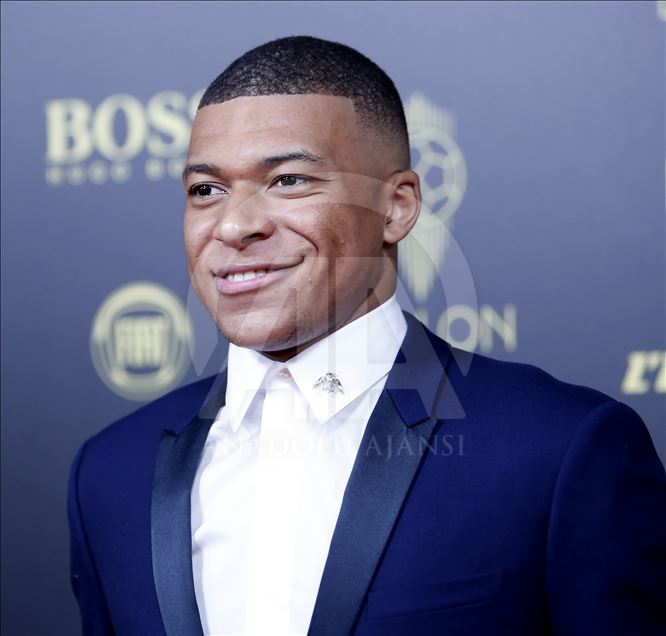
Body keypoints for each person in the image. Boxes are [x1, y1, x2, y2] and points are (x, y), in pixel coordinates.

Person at [68, 36, 666, 636]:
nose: (235, 225)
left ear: (397, 207)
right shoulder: (110, 473)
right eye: (206, 190)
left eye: (289, 181)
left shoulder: (558, 450)